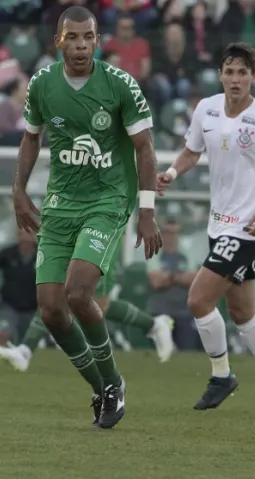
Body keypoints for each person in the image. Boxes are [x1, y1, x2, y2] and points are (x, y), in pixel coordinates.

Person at [12, 6, 163, 429]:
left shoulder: (119, 85)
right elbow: (30, 138)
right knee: (51, 312)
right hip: (61, 204)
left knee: (79, 294)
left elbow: (145, 148)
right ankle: (100, 387)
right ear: (58, 41)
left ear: (98, 40)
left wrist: (146, 212)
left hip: (108, 200)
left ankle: (113, 383)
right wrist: (18, 190)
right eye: (72, 38)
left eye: (88, 38)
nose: (81, 46)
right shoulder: (43, 85)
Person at [156, 43, 255, 412]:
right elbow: (193, 151)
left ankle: (221, 376)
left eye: (243, 72)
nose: (236, 79)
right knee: (241, 310)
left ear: (254, 77)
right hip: (217, 224)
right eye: (230, 71)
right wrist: (173, 173)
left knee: (198, 299)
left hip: (248, 229)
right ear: (220, 75)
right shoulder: (205, 109)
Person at [0, 237, 175, 372]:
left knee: (97, 305)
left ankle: (154, 324)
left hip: (101, 233)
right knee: (55, 293)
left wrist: (147, 205)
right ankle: (25, 351)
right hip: (73, 230)